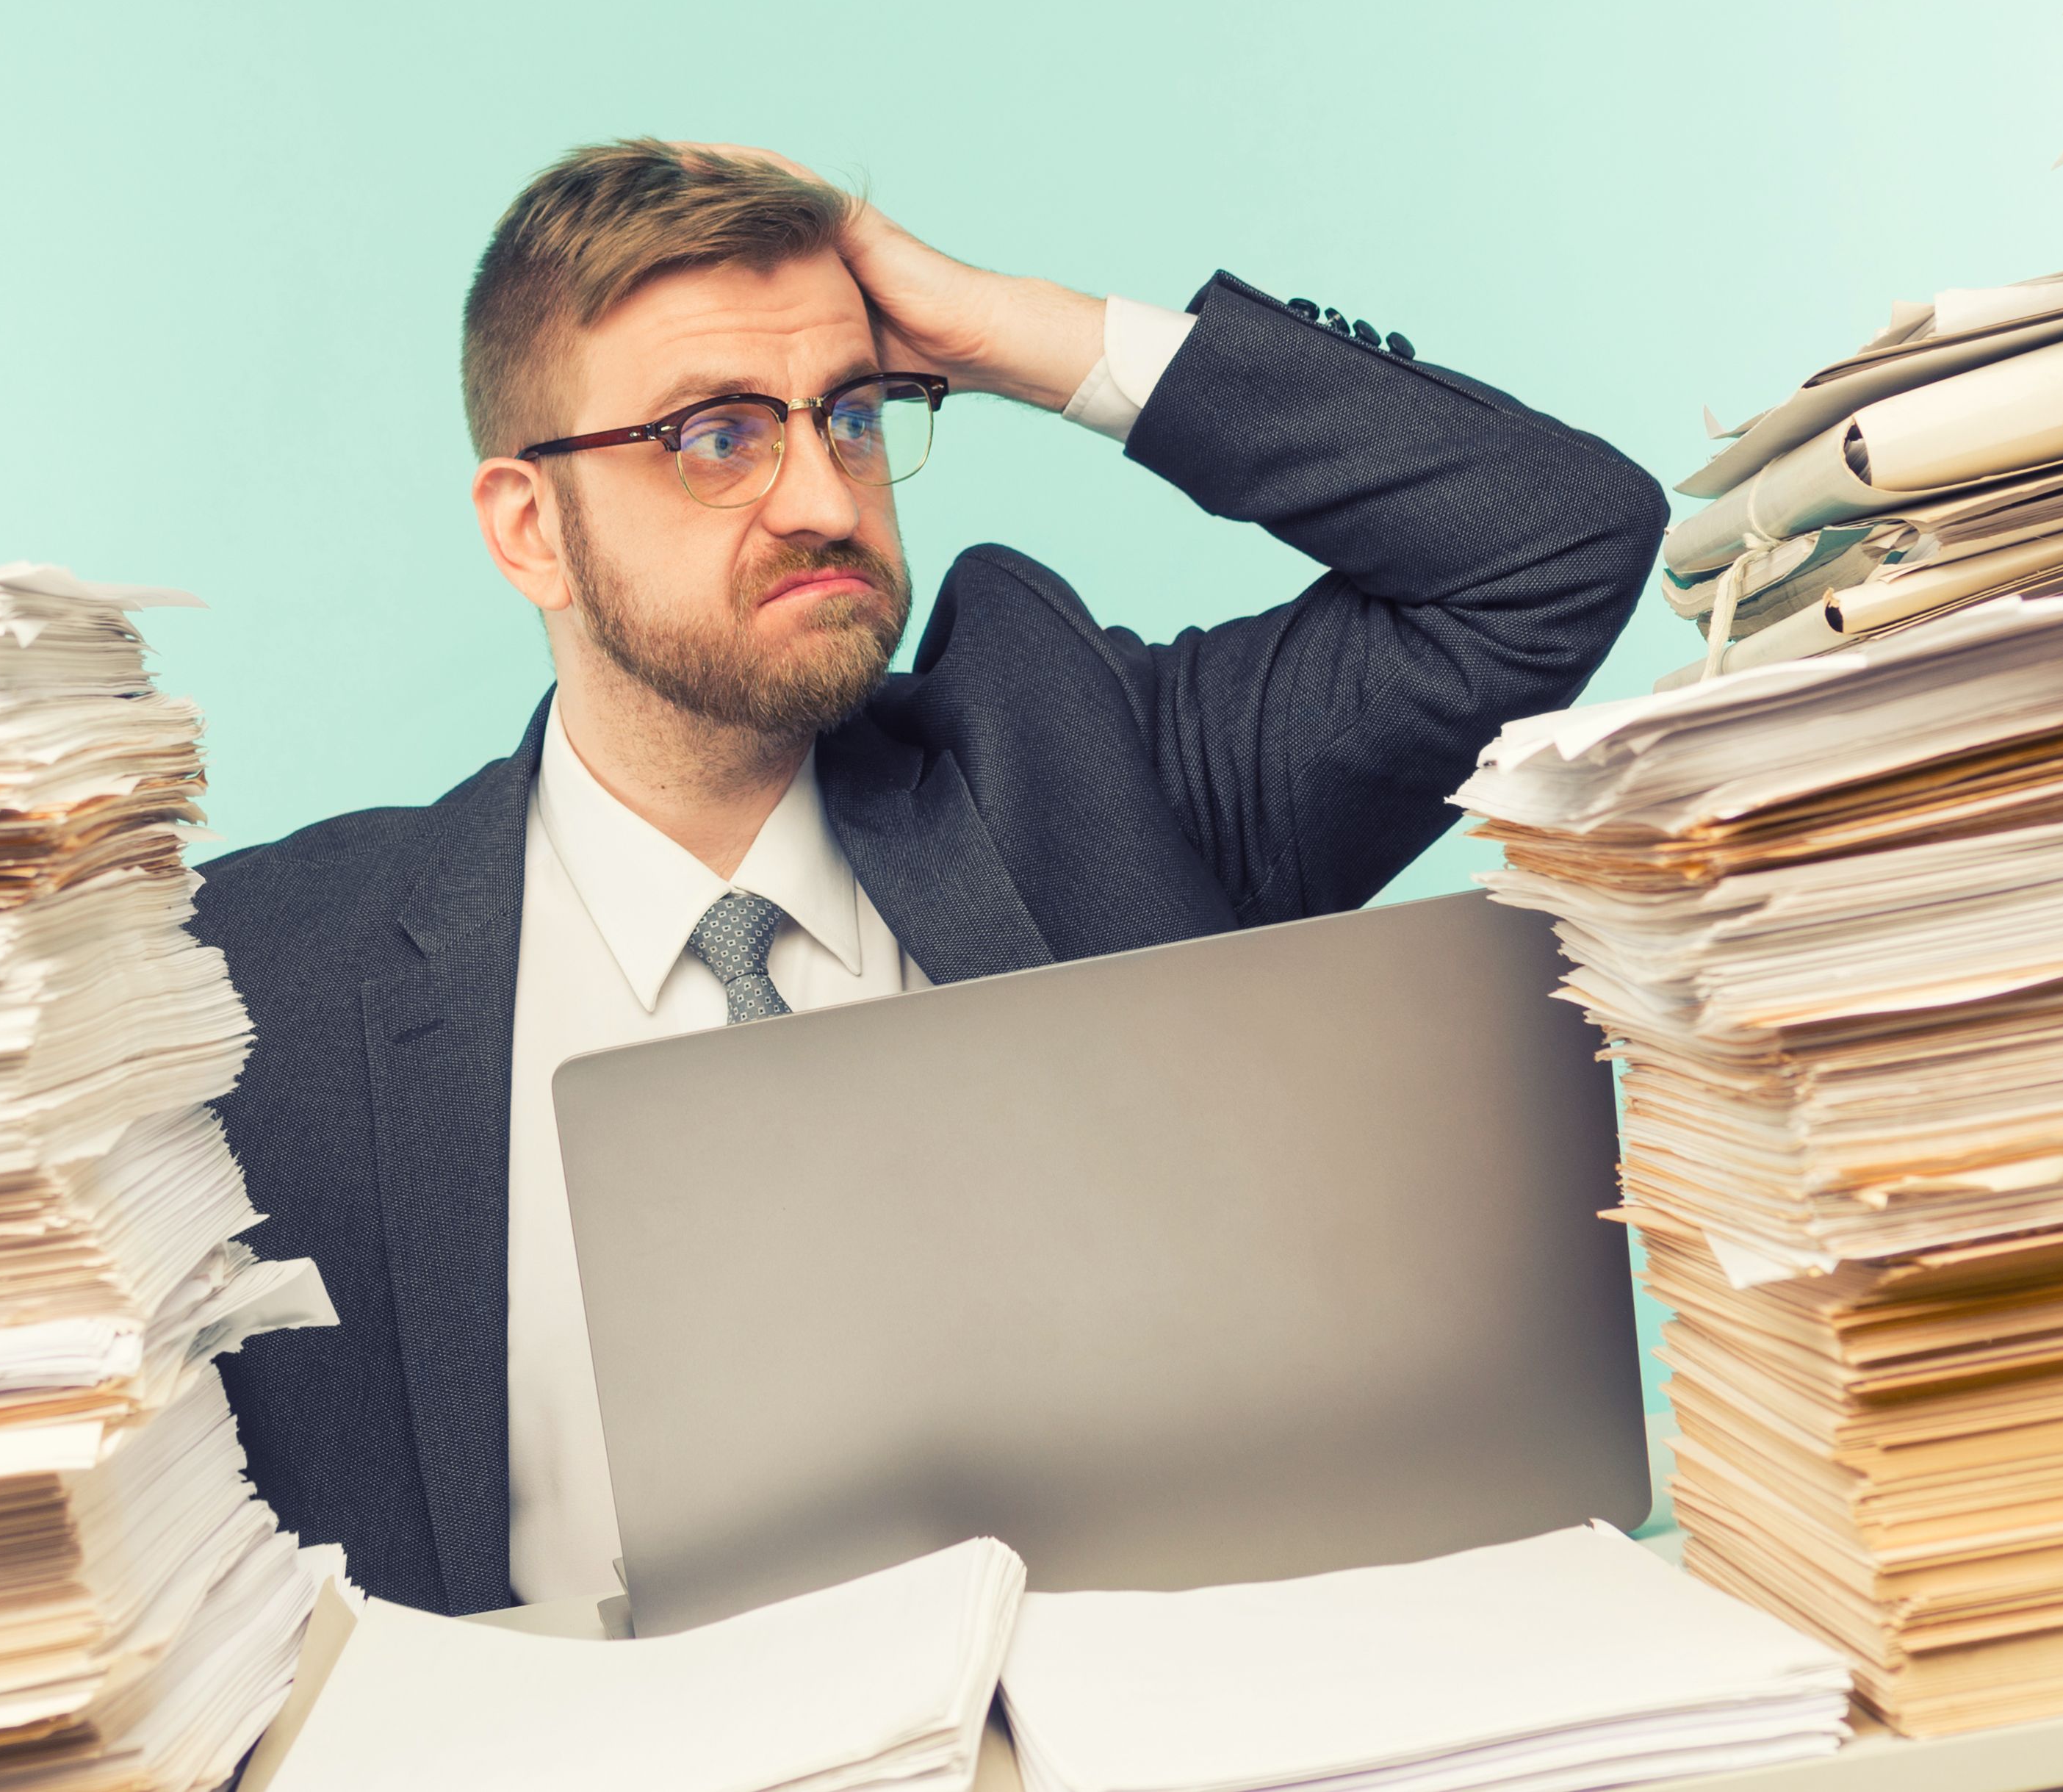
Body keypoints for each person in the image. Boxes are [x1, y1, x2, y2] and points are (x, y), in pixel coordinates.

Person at [195, 140, 1664, 1616]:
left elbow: (1552, 547)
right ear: (530, 529)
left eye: (848, 415)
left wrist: (1014, 335)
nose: (821, 499)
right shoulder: (259, 981)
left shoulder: (1092, 780)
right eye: (714, 435)